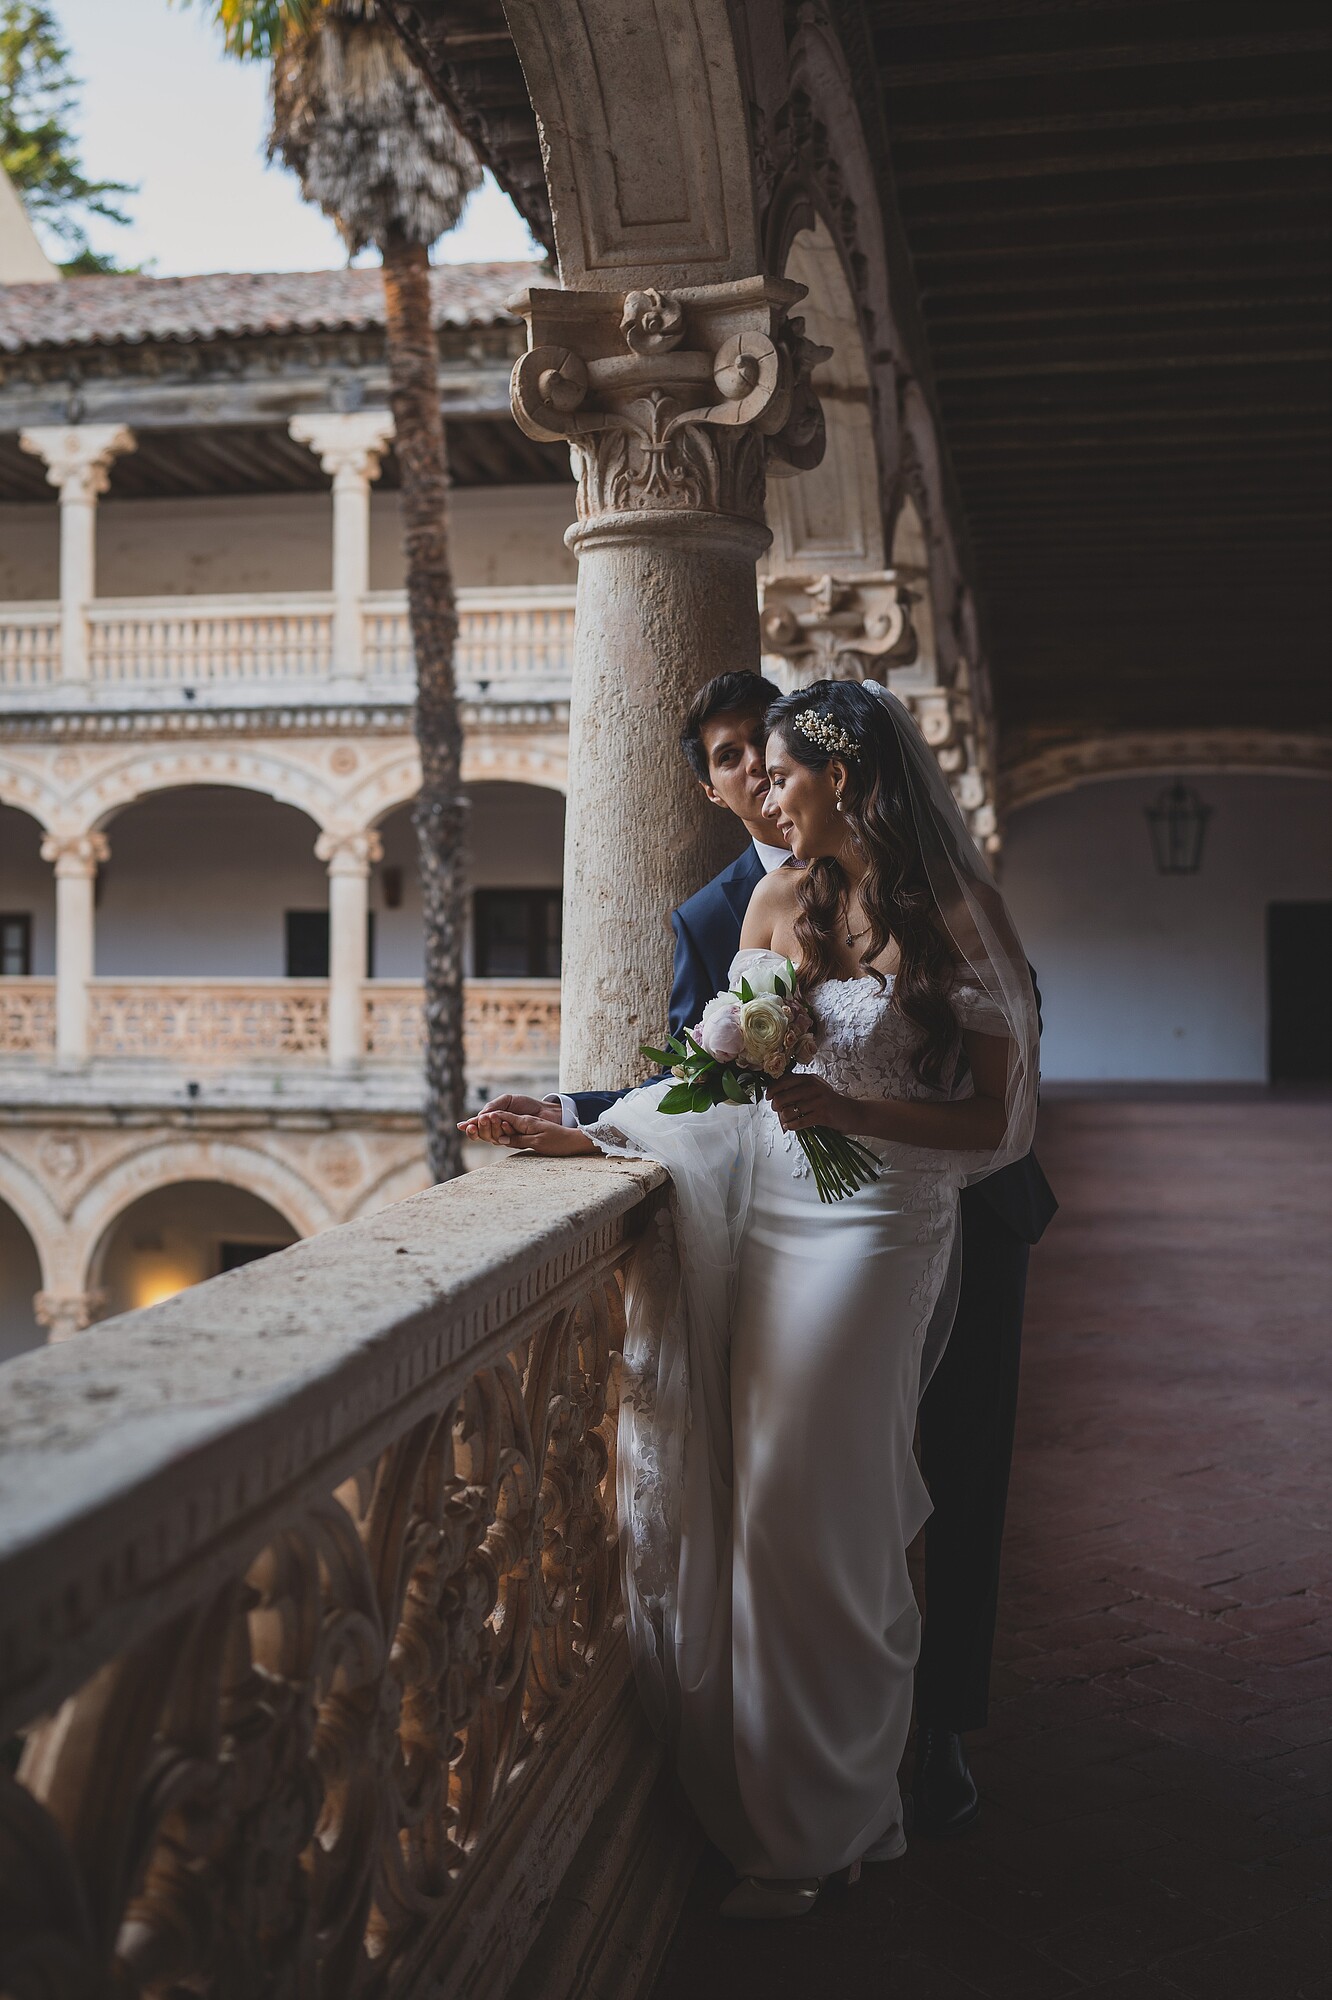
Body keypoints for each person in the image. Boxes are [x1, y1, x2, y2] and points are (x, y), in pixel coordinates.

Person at [463, 681, 1039, 1918]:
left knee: (830, 1499)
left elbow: (996, 1123)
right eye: (757, 774)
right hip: (778, 1209)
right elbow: (710, 1073)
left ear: (847, 775)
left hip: (883, 1225)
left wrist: (854, 1109)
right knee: (772, 1496)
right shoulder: (778, 901)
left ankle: (828, 1812)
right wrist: (588, 1130)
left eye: (780, 774)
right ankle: (828, 1808)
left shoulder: (956, 911)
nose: (765, 797)